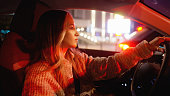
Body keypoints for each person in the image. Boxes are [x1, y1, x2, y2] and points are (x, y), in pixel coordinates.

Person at [22, 10, 170, 96]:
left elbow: (106, 66)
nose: (77, 33)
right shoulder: (38, 77)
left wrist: (144, 50)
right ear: (56, 32)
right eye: (71, 27)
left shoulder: (74, 57)